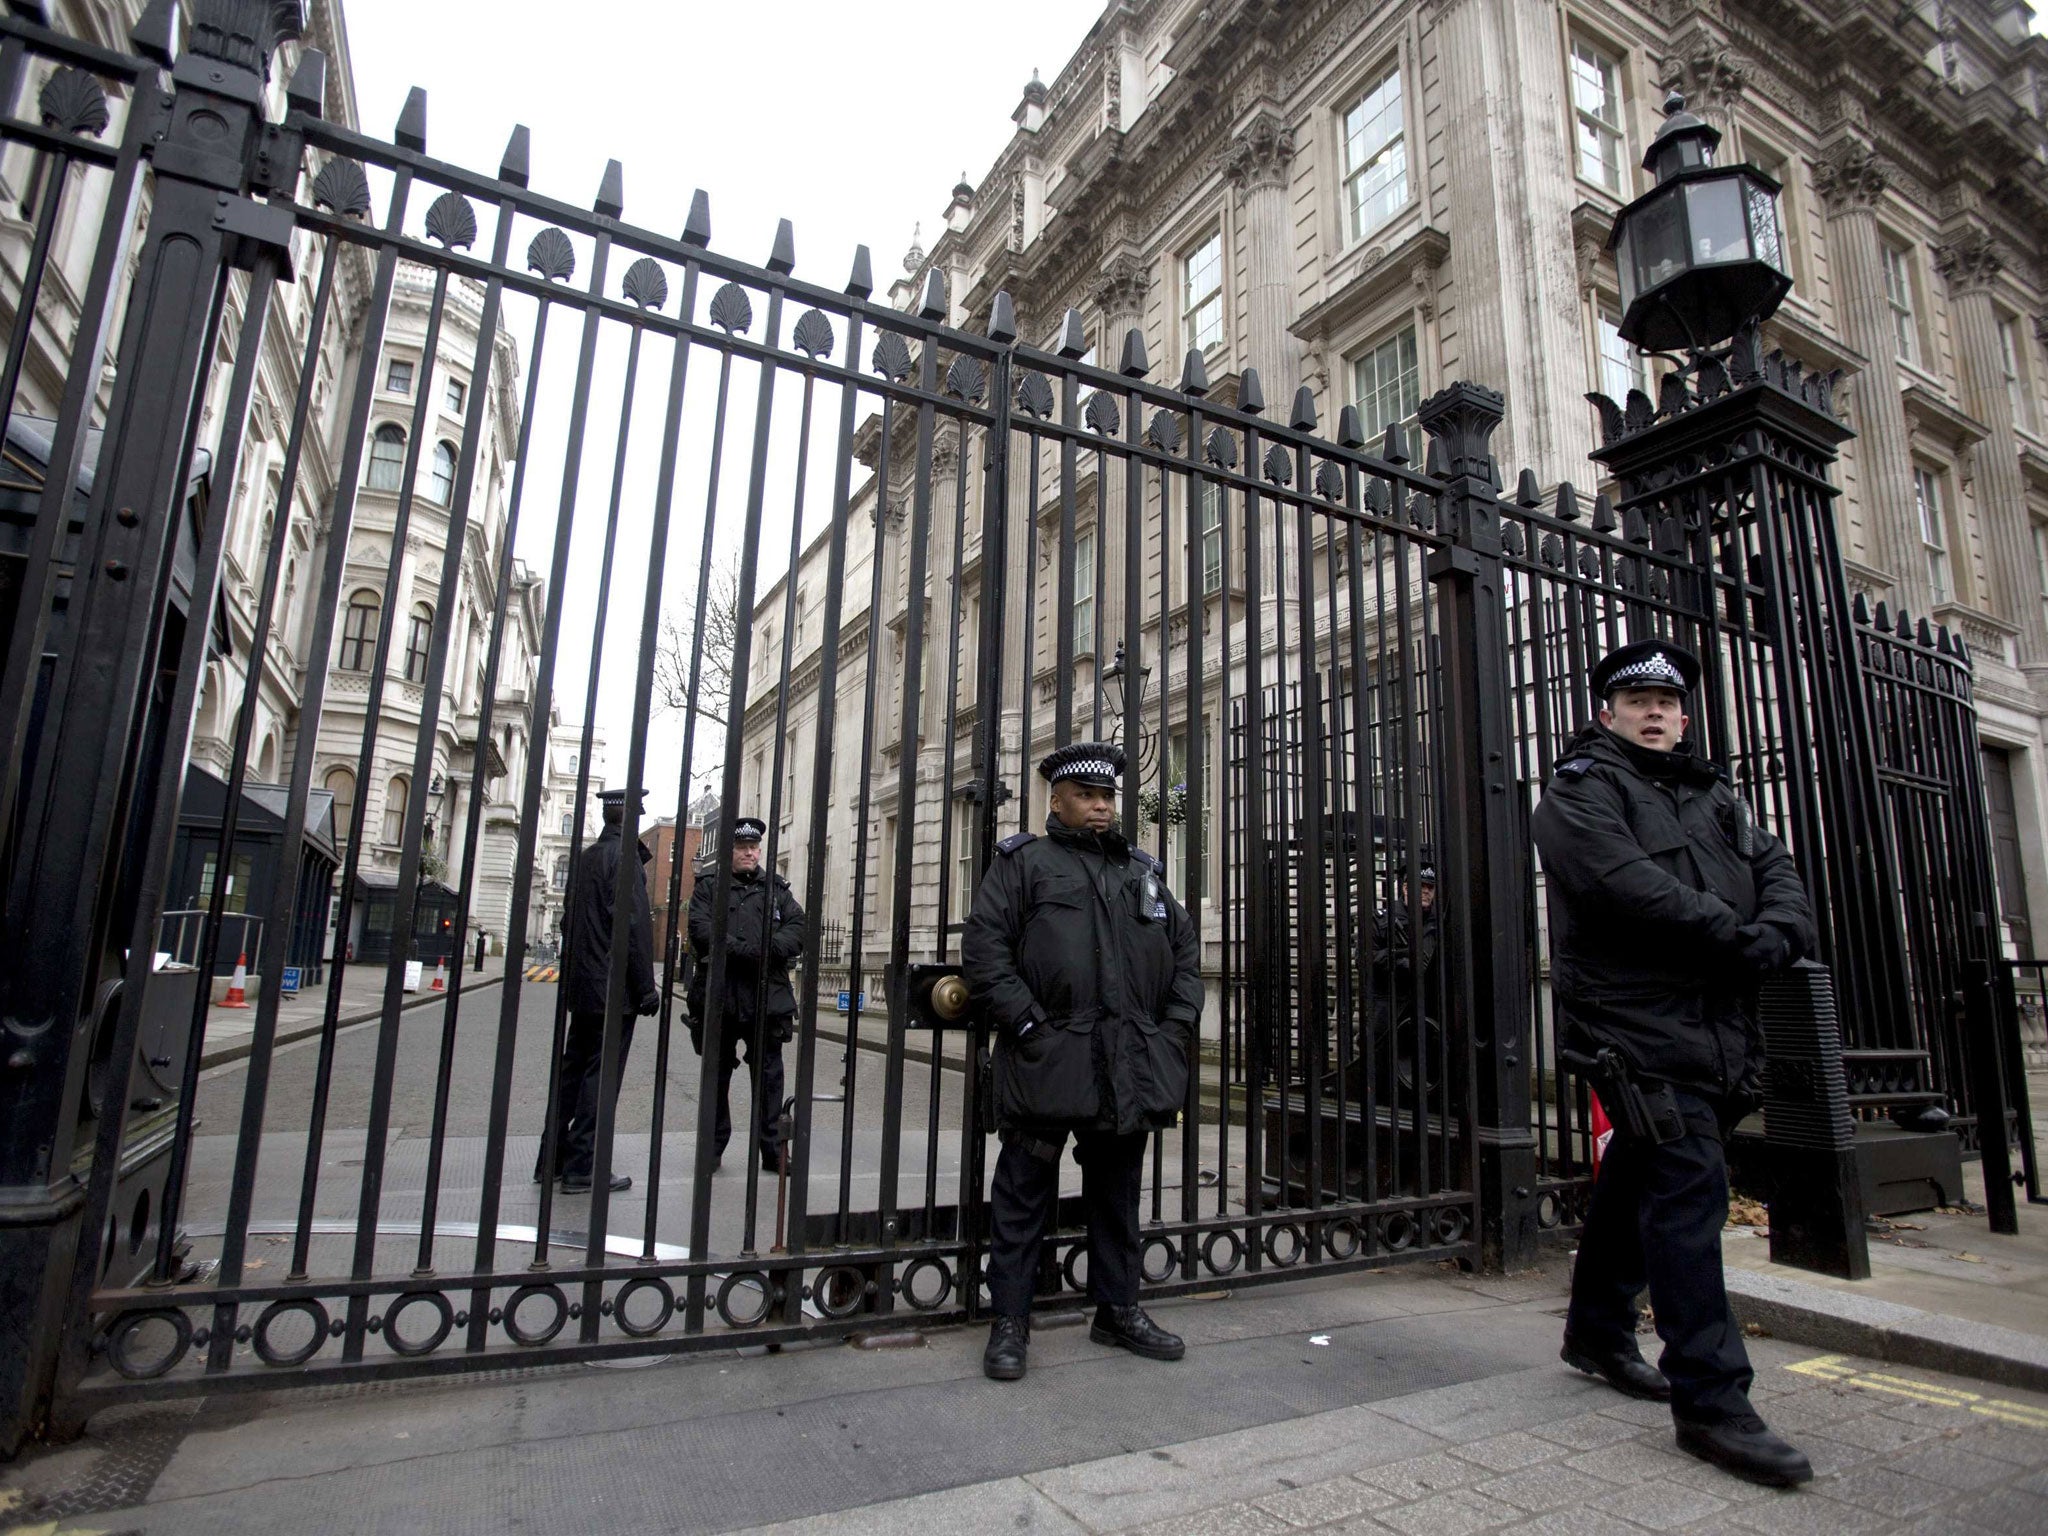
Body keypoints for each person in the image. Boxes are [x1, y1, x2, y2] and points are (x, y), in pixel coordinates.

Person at [1530, 639, 1817, 1487]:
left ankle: (1596, 1331)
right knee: (1690, 1193)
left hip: (1718, 1021)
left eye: (1668, 701)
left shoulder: (1717, 796)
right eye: (1636, 700)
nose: (1655, 711)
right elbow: (1624, 888)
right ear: (1606, 713)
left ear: (1685, 716)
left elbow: (1780, 870)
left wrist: (1780, 931)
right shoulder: (1579, 791)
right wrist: (1740, 938)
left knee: (1644, 1174)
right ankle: (1714, 1404)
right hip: (1635, 1024)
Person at [961, 740, 1204, 1382]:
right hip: (1047, 1059)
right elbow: (986, 950)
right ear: (1057, 800)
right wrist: (1028, 1026)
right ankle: (1010, 1321)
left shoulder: (1141, 872)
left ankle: (1118, 1310)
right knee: (1022, 1194)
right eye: (1087, 796)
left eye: (1107, 797)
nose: (1100, 807)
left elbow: (1184, 953)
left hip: (1125, 1062)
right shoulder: (1024, 864)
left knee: (1117, 1192)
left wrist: (1174, 1030)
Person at [545, 786, 659, 1194]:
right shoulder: (624, 859)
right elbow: (632, 927)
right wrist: (646, 989)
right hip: (613, 988)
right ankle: (583, 1165)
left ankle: (553, 1158)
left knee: (573, 1069)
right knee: (601, 1076)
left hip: (583, 984)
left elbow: (566, 922)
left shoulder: (587, 857)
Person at [686, 816, 805, 1173]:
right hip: (721, 993)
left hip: (766, 995)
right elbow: (701, 929)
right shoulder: (709, 886)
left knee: (769, 1077)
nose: (750, 853)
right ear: (731, 851)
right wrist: (746, 951)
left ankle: (773, 1151)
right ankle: (712, 1149)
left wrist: (767, 949)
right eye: (742, 848)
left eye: (754, 848)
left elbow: (798, 926)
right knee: (716, 1074)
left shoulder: (777, 888)